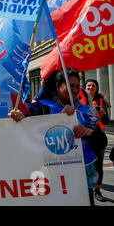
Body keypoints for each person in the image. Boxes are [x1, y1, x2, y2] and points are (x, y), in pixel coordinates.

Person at [29, 69, 103, 206]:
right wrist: (60, 119)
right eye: (70, 86)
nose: (74, 90)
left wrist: (89, 132)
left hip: (81, 179)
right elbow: (31, 137)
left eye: (77, 86)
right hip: (53, 178)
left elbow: (102, 143)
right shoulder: (42, 107)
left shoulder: (86, 111)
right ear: (58, 86)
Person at [85, 79, 109, 202]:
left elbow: (106, 120)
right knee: (86, 163)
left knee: (98, 165)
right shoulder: (79, 98)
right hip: (84, 136)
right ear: (85, 87)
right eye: (88, 85)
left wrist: (104, 113)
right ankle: (85, 188)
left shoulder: (101, 101)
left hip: (99, 137)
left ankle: (97, 190)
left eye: (93, 86)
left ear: (96, 88)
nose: (91, 87)